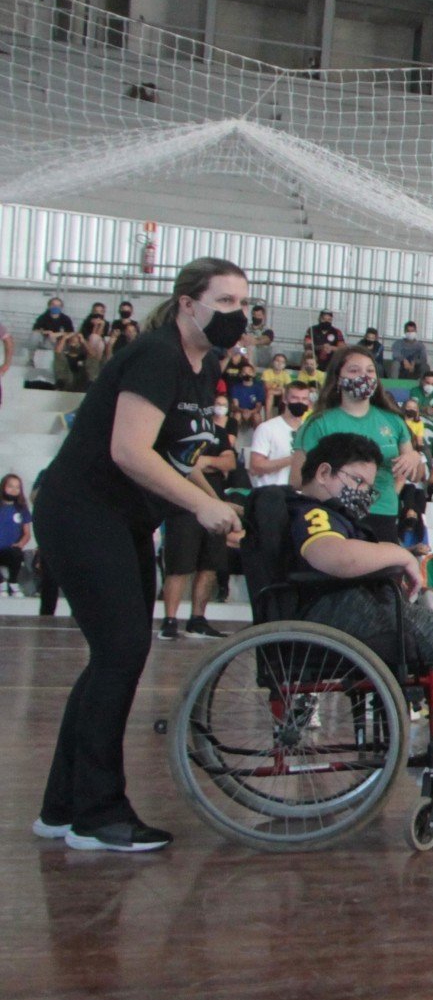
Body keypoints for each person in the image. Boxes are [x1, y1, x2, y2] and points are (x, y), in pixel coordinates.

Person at [34, 258, 248, 853]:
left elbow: (176, 458)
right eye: (225, 302)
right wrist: (200, 510)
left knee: (114, 654)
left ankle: (63, 806)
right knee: (120, 652)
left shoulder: (201, 369)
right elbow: (129, 452)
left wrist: (217, 505)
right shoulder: (156, 356)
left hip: (120, 519)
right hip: (83, 511)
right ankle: (97, 813)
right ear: (188, 304)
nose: (238, 315)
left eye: (243, 304)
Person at [284, 436, 433, 759]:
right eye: (357, 481)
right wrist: (397, 555)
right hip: (330, 613)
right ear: (324, 472)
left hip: (342, 609)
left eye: (367, 487)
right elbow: (332, 556)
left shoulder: (330, 514)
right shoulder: (312, 513)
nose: (362, 493)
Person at [295, 347, 425, 544]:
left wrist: (415, 458)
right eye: (354, 370)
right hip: (334, 515)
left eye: (370, 371)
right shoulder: (319, 423)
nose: (364, 376)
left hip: (384, 514)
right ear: (338, 378)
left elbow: (415, 474)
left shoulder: (393, 421)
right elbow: (297, 480)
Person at [158, 398, 240, 640]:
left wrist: (207, 461)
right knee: (180, 564)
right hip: (184, 505)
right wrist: (213, 497)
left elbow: (230, 461)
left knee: (210, 563)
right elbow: (187, 466)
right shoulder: (180, 430)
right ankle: (170, 619)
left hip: (214, 505)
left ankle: (198, 618)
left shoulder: (219, 432)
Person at [0, 473, 32, 596]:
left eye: (17, 487)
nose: (14, 490)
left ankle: (13, 583)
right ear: (3, 487)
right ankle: (1, 583)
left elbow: (27, 533)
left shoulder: (21, 509)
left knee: (16, 554)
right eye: (10, 486)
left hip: (11, 549)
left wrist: (20, 544)